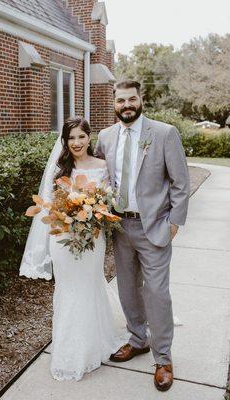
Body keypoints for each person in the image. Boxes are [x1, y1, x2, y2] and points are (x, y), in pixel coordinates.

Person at [95, 79, 190, 392]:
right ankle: (138, 340)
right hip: (120, 228)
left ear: (141, 99)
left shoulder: (164, 133)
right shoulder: (106, 137)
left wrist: (174, 222)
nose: (126, 105)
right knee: (127, 291)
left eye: (131, 99)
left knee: (157, 293)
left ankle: (163, 358)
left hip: (154, 228)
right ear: (114, 103)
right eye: (120, 100)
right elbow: (97, 177)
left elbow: (180, 182)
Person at [19, 117, 128, 381]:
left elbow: (111, 202)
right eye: (71, 138)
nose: (77, 142)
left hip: (92, 238)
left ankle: (94, 343)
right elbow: (48, 206)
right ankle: (69, 349)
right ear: (65, 142)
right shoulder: (60, 170)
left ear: (89, 138)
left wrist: (93, 212)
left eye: (81, 136)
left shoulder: (103, 166)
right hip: (62, 240)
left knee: (90, 284)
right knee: (67, 288)